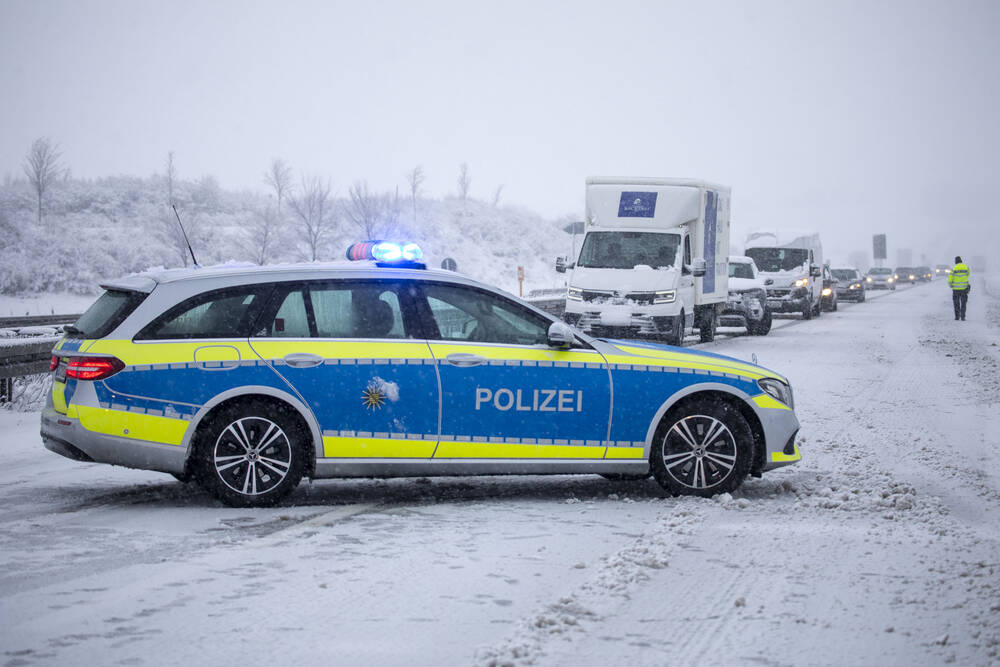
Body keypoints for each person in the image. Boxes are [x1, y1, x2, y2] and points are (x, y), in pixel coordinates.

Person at [947, 255, 970, 320]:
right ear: (961, 261)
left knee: (956, 303)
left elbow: (950, 278)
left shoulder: (954, 268)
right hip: (964, 288)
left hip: (956, 289)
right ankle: (963, 317)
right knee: (963, 303)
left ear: (956, 261)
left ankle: (957, 316)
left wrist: (951, 285)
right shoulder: (966, 267)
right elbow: (968, 275)